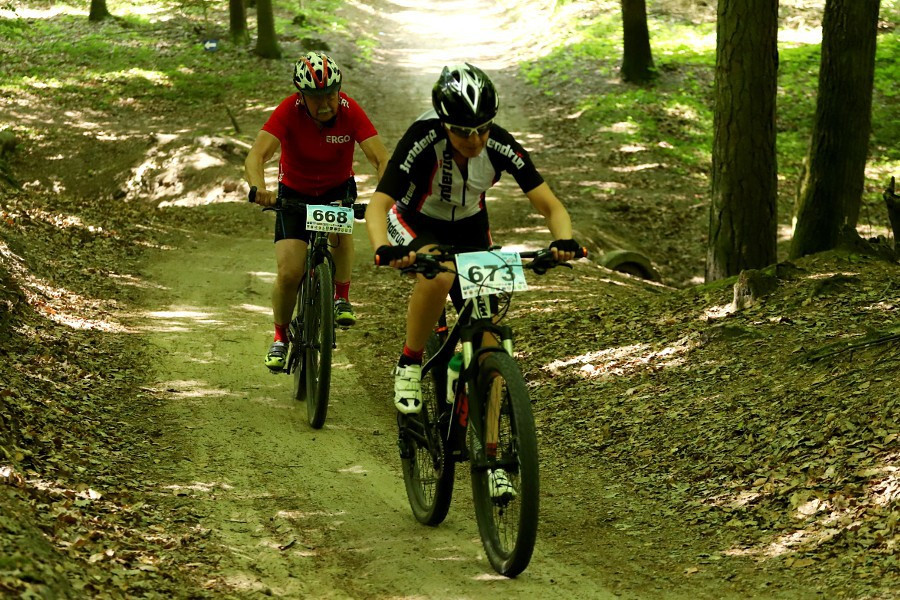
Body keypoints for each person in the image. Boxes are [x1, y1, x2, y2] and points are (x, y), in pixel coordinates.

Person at [366, 62, 580, 414]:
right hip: (415, 220)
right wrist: (384, 249)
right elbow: (378, 207)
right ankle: (409, 362)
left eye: (482, 129)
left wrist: (562, 241)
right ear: (444, 123)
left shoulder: (500, 144)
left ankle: (467, 382)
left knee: (487, 338)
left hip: (470, 225)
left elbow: (550, 206)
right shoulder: (422, 139)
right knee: (441, 276)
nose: (475, 140)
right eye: (463, 132)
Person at [246, 51, 388, 371]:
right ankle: (280, 337)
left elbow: (381, 158)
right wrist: (260, 188)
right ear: (301, 96)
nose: (325, 104)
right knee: (289, 272)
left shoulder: (350, 110)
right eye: (315, 97)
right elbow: (257, 155)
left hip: (336, 189)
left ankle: (341, 296)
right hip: (294, 193)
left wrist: (383, 195)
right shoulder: (288, 110)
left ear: (339, 91)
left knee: (341, 232)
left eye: (330, 95)